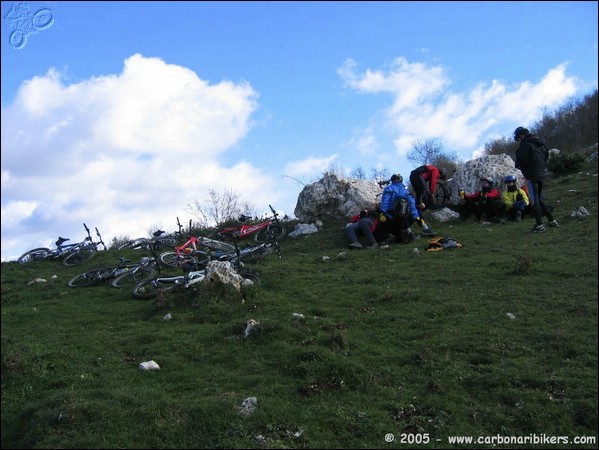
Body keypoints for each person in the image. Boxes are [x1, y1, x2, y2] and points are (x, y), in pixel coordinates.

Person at [514, 126, 559, 233]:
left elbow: (522, 160)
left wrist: (521, 165)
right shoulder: (540, 143)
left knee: (534, 200)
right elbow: (546, 157)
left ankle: (539, 226)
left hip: (531, 175)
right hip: (541, 174)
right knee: (539, 198)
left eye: (519, 138)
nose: (519, 140)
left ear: (521, 135)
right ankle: (552, 221)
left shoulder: (525, 144)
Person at [379, 174, 435, 242]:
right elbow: (412, 205)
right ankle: (424, 229)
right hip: (405, 218)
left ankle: (389, 236)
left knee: (382, 219)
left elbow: (385, 202)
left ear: (393, 180)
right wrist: (416, 216)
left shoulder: (389, 188)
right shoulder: (406, 190)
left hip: (392, 219)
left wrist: (382, 213)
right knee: (414, 210)